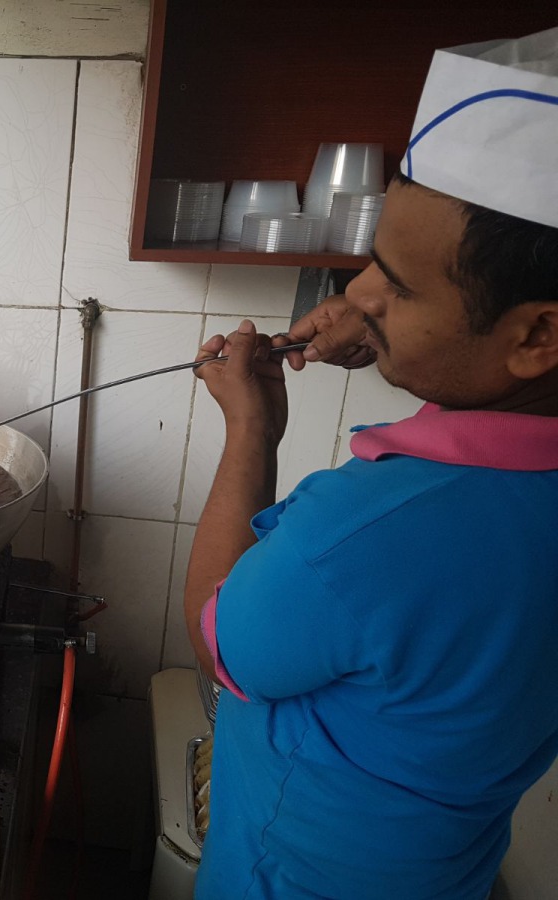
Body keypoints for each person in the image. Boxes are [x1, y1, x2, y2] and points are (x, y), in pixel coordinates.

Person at [184, 26, 558, 900]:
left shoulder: (365, 537)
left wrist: (251, 429)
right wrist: (398, 325)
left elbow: (215, 638)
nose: (354, 295)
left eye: (399, 281)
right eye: (370, 264)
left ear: (537, 334)